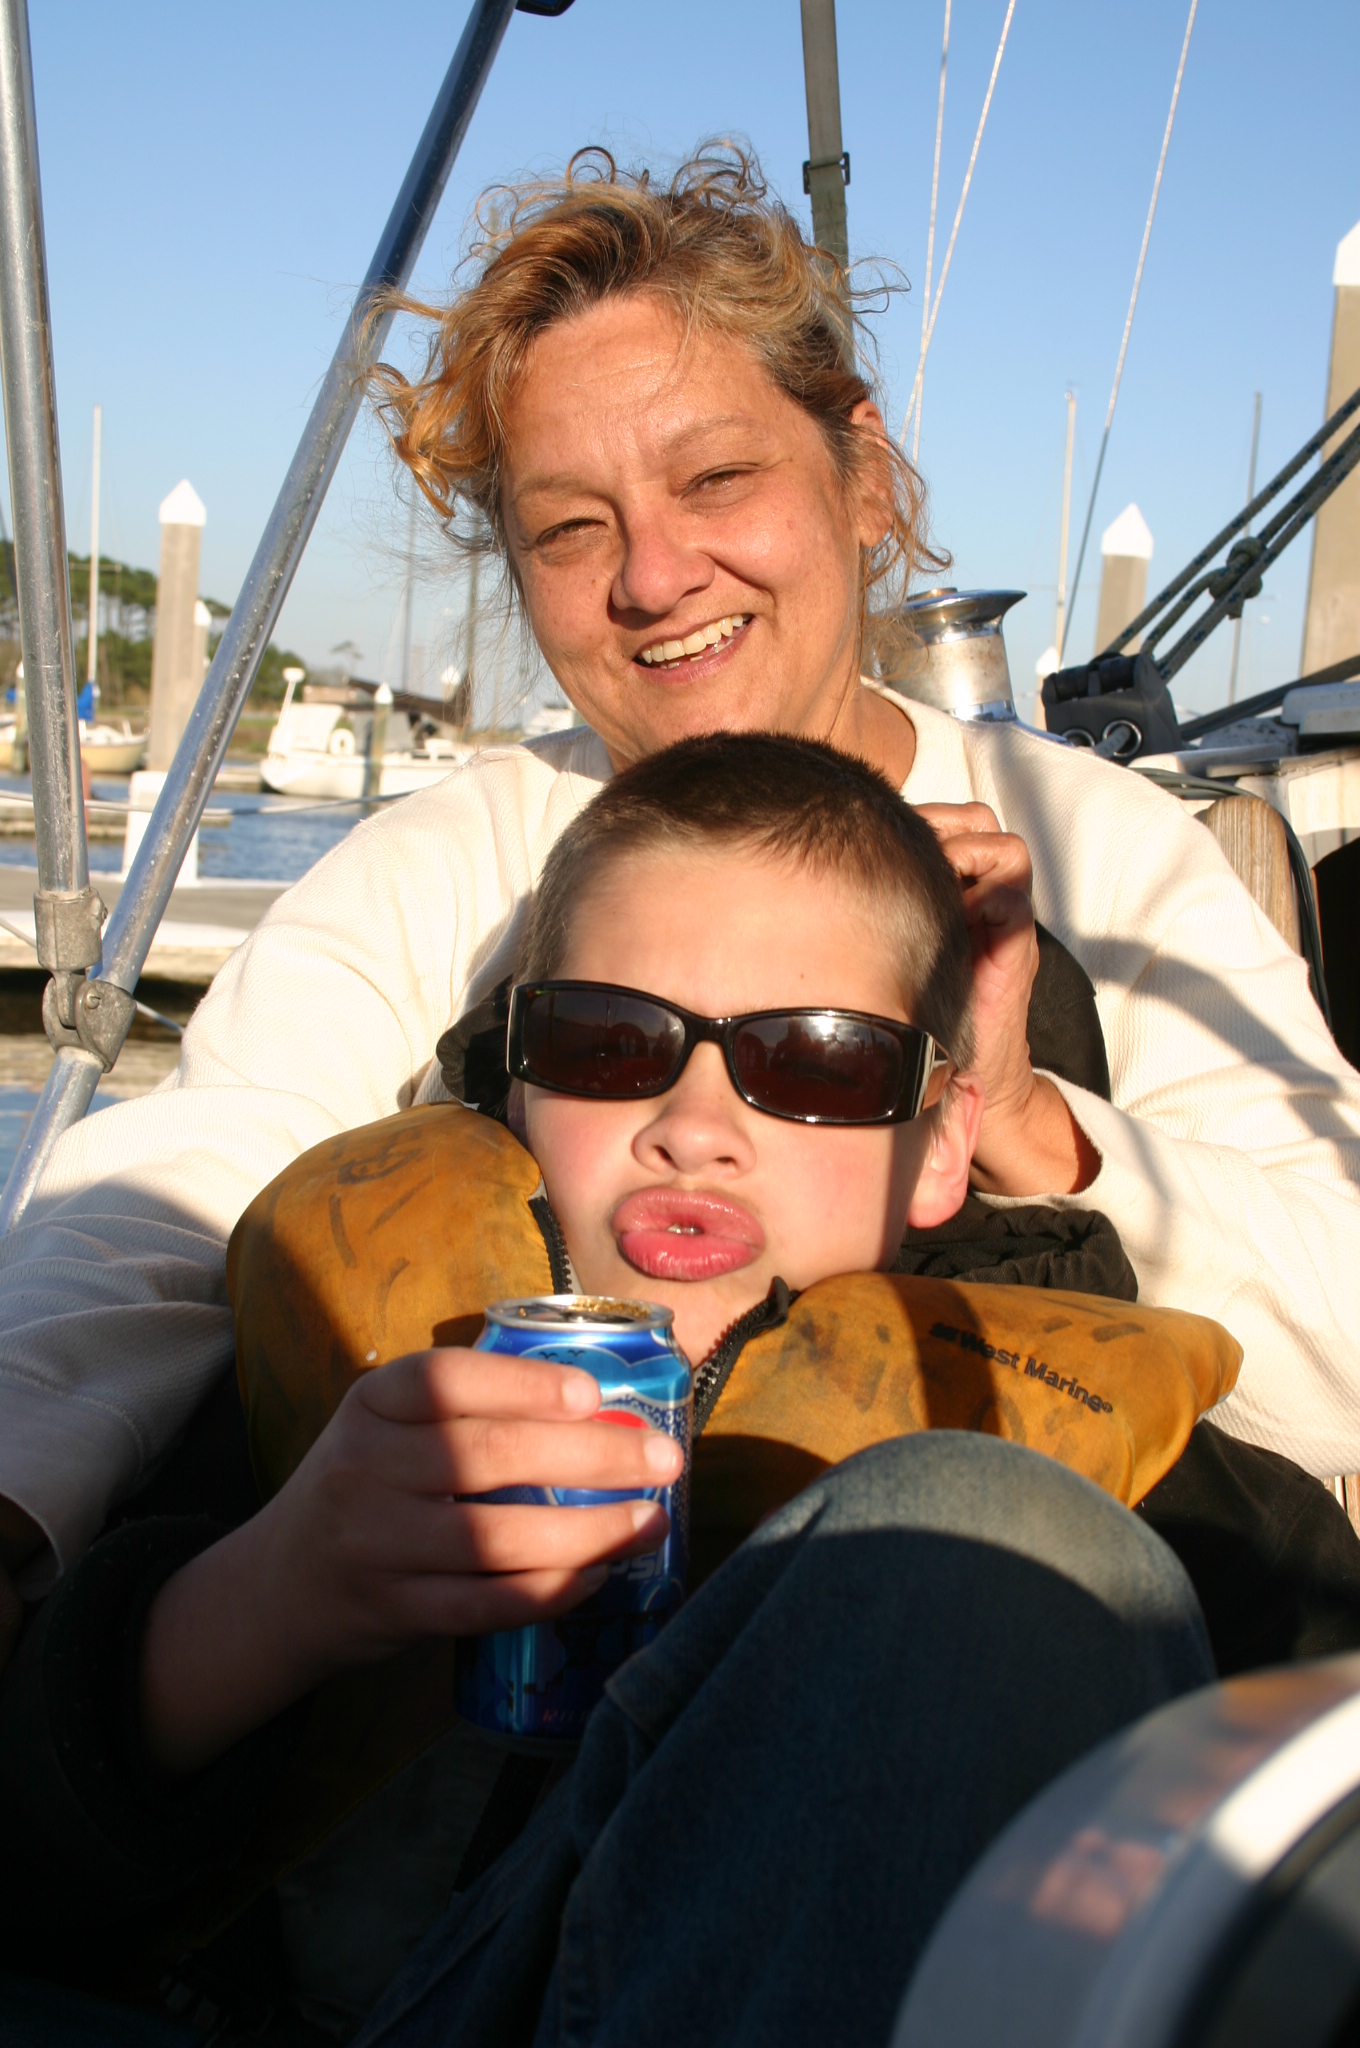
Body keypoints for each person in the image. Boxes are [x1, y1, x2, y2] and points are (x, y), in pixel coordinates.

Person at [0, 142, 1356, 1640]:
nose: (652, 577)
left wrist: (1028, 1111)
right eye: (570, 528)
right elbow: (153, 1215)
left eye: (716, 479)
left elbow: (1344, 1358)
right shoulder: (445, 868)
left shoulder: (1109, 855)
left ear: (864, 476)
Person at [0, 733, 1223, 2044]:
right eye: (608, 1042)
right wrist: (277, 1587)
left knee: (994, 1538)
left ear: (938, 1148)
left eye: (816, 1062)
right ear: (518, 1087)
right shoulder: (335, 1373)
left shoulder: (1147, 1481)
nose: (694, 1127)